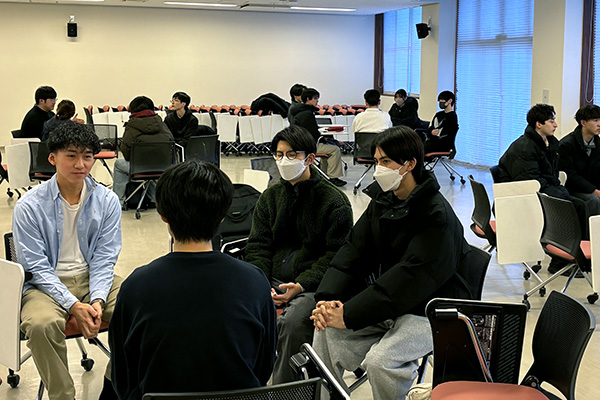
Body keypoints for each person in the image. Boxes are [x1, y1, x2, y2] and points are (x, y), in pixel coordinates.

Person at [310, 126, 472, 400]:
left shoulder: (436, 215)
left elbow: (409, 279)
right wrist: (327, 299)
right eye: (376, 161)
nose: (378, 170)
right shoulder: (385, 200)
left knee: (380, 362)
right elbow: (354, 250)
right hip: (394, 304)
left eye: (386, 161)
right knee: (325, 329)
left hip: (432, 310)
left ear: (409, 164)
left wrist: (350, 314)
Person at [109, 160, 276, 399]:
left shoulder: (135, 287)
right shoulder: (254, 282)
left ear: (163, 216)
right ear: (222, 216)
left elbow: (123, 378)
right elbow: (263, 367)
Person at [12, 121, 122, 400]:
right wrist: (73, 304)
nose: (80, 164)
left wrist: (97, 299)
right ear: (53, 158)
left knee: (141, 306)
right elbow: (36, 267)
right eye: (71, 155)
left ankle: (116, 385)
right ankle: (63, 396)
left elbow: (105, 257)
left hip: (93, 278)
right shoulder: (30, 206)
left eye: (87, 156)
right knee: (41, 324)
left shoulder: (106, 200)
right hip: (43, 285)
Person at [245, 125, 353, 383]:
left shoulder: (334, 202)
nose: (284, 160)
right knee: (235, 307)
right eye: (279, 154)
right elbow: (258, 245)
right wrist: (261, 283)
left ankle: (284, 391)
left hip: (313, 286)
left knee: (292, 323)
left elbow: (336, 255)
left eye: (292, 154)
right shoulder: (270, 198)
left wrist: (302, 284)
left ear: (310, 159)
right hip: (271, 279)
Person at [498, 103, 589, 272]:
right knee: (565, 207)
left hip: (540, 191)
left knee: (581, 206)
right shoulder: (524, 147)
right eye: (551, 121)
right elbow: (530, 181)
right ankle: (558, 262)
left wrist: (560, 191)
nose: (556, 125)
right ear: (538, 124)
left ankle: (579, 258)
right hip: (521, 198)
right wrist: (560, 194)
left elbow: (550, 176)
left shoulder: (549, 144)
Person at [112, 95, 174, 209]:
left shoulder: (131, 126)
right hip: (163, 167)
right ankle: (154, 199)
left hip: (140, 168)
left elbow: (126, 153)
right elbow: (171, 142)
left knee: (119, 164)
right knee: (151, 166)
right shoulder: (162, 124)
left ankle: (118, 202)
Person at [288, 87, 347, 186]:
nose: (317, 101)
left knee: (328, 147)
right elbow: (314, 134)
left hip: (300, 144)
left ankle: (324, 175)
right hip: (308, 146)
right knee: (334, 149)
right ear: (308, 99)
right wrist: (331, 141)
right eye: (315, 98)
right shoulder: (307, 114)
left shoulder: (298, 111)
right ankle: (333, 177)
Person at [558, 105, 600, 216]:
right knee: (593, 200)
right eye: (595, 120)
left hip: (592, 186)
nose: (599, 124)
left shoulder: (598, 143)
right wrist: (593, 190)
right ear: (583, 123)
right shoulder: (566, 145)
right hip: (573, 188)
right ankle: (591, 228)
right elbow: (570, 176)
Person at [423, 91, 459, 156]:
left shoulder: (452, 117)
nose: (441, 102)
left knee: (421, 148)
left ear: (450, 101)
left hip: (443, 145)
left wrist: (438, 132)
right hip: (433, 142)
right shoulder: (438, 115)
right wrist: (431, 132)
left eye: (442, 100)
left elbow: (448, 133)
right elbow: (431, 128)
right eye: (440, 101)